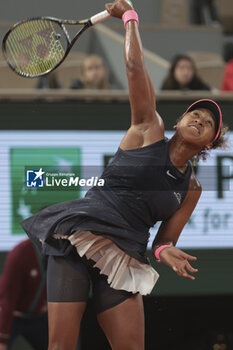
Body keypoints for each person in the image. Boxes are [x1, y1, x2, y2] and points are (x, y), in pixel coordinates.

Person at [20, 1, 228, 349]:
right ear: (178, 122)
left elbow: (164, 241)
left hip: (125, 255)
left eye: (208, 123)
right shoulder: (149, 128)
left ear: (209, 142)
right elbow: (134, 67)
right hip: (80, 234)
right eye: (195, 114)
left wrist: (165, 253)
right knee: (60, 346)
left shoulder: (190, 189)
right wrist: (130, 17)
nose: (199, 120)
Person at [0, 239, 48, 350]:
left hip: (39, 316)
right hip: (12, 315)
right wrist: (2, 339)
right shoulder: (20, 253)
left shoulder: (61, 252)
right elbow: (7, 299)